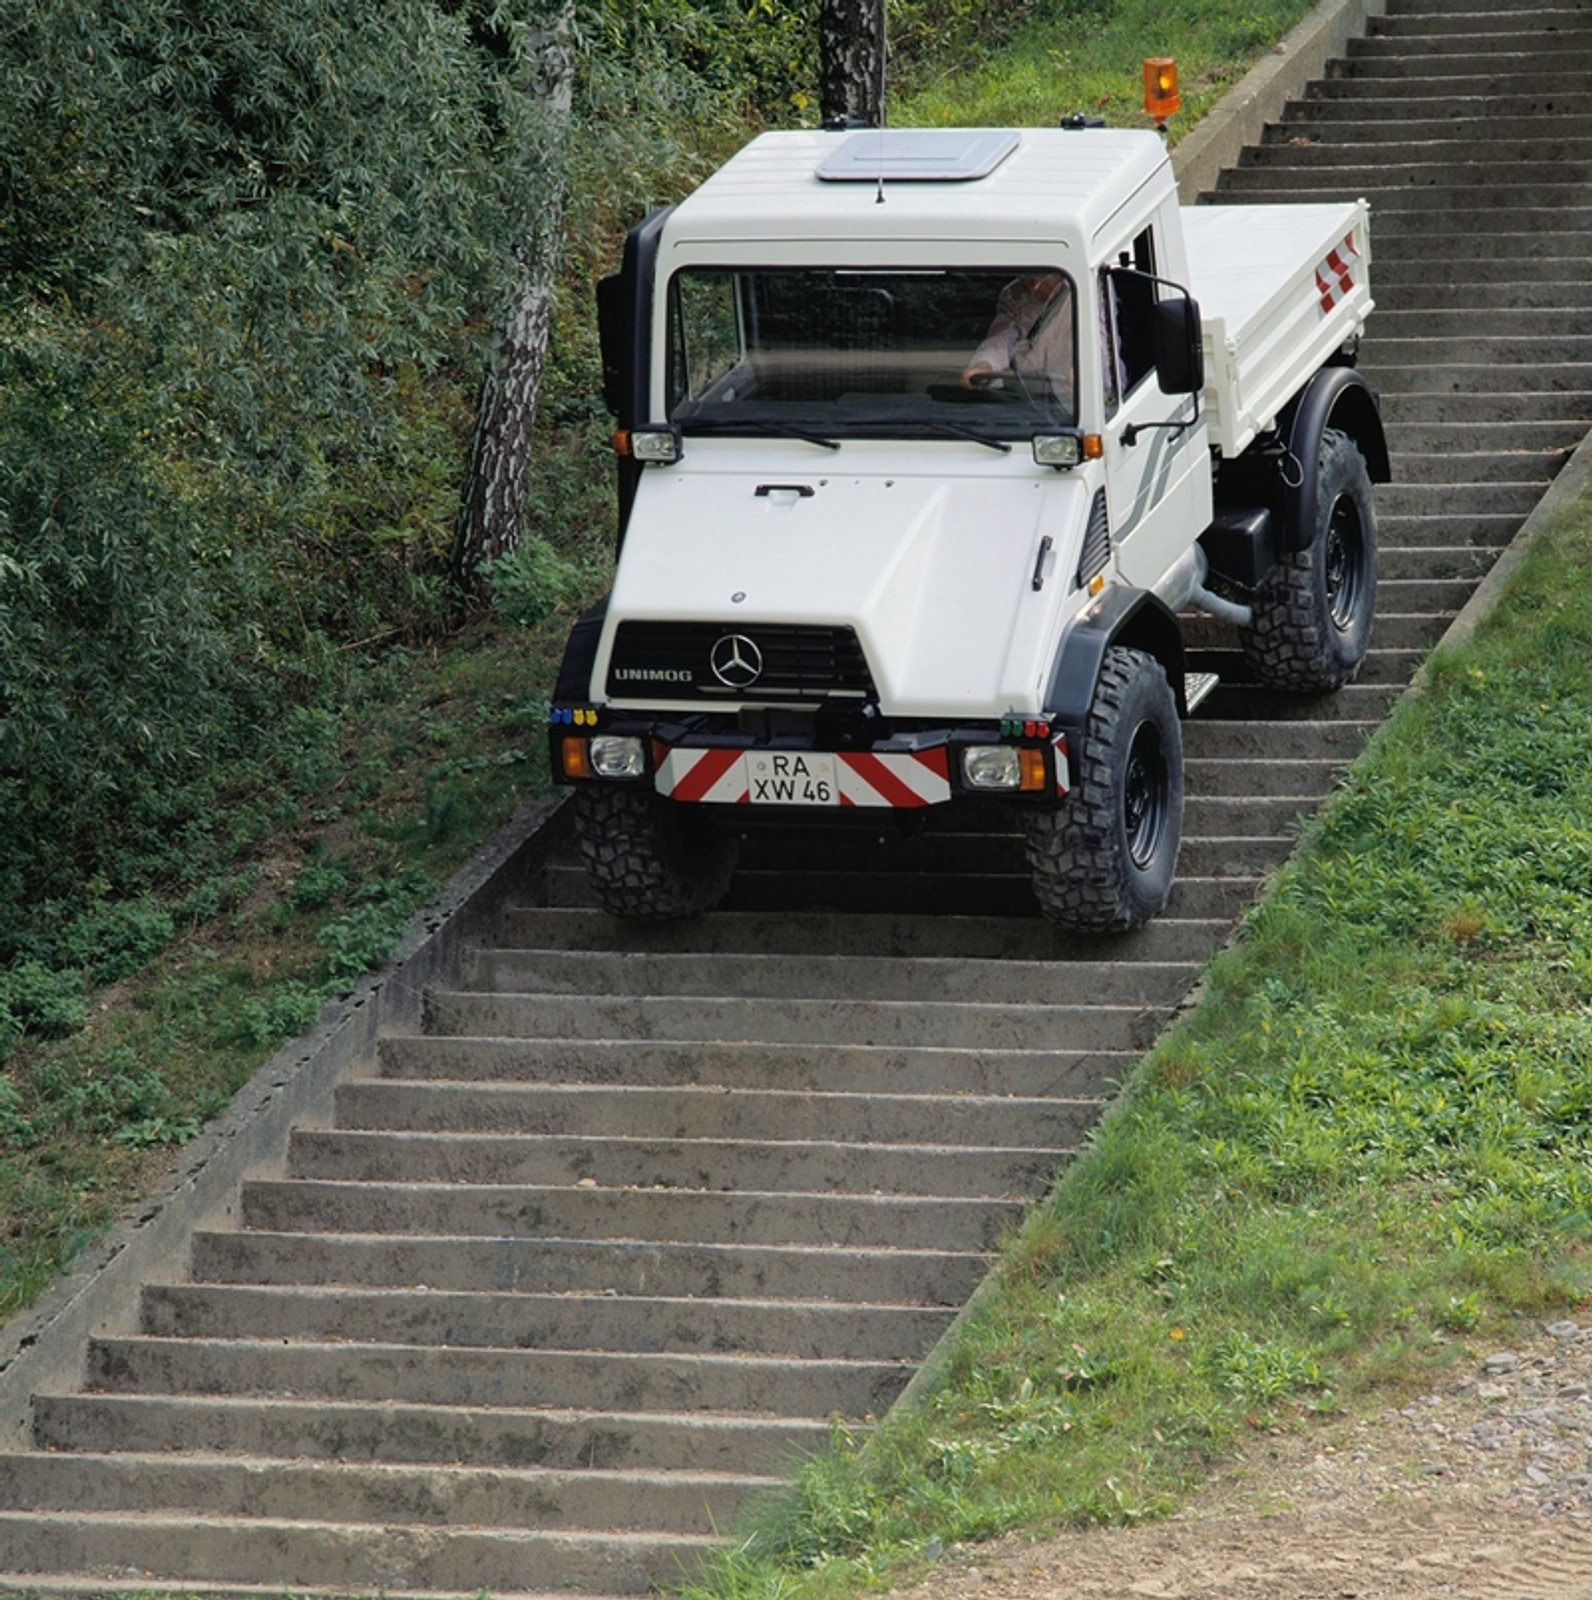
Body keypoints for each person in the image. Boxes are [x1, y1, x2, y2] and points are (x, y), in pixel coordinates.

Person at [960, 272, 1074, 412]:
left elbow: (1101, 340)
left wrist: (1084, 370)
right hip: (1028, 397)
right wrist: (984, 365)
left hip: (1070, 398)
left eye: (1037, 281)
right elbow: (1003, 337)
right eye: (1024, 282)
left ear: (1057, 275)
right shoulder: (1015, 295)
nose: (1032, 289)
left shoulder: (1083, 289)